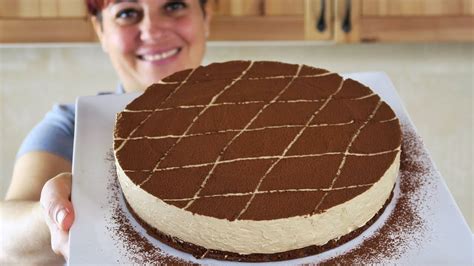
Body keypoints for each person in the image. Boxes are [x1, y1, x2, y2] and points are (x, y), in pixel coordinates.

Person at [0, 0, 211, 263]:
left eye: (174, 6)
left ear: (206, 17)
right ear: (101, 30)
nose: (153, 30)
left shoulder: (262, 124)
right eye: (127, 13)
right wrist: (60, 211)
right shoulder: (73, 125)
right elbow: (5, 240)